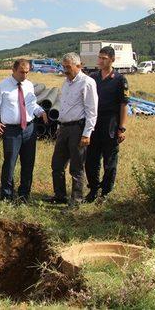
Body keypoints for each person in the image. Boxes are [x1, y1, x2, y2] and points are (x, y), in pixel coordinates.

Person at [0, 59, 48, 203]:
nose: (25, 75)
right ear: (13, 70)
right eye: (22, 72)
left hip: (29, 129)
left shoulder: (28, 85)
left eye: (27, 72)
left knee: (28, 163)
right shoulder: (2, 86)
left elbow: (31, 104)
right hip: (11, 131)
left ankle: (24, 196)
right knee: (9, 163)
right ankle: (7, 196)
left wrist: (41, 112)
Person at [45, 53, 98, 206]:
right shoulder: (66, 82)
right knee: (57, 165)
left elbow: (92, 111)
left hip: (78, 128)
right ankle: (59, 195)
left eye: (68, 67)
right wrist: (59, 126)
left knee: (76, 167)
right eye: (64, 67)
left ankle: (76, 200)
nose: (65, 70)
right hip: (64, 128)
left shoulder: (87, 83)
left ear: (79, 66)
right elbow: (64, 106)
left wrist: (87, 133)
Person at [85, 46, 129, 203]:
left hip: (110, 123)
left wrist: (121, 128)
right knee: (91, 159)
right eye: (99, 57)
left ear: (112, 59)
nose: (100, 61)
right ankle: (93, 190)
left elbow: (124, 105)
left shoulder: (119, 79)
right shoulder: (93, 77)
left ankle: (105, 192)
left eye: (104, 58)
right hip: (93, 122)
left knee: (109, 161)